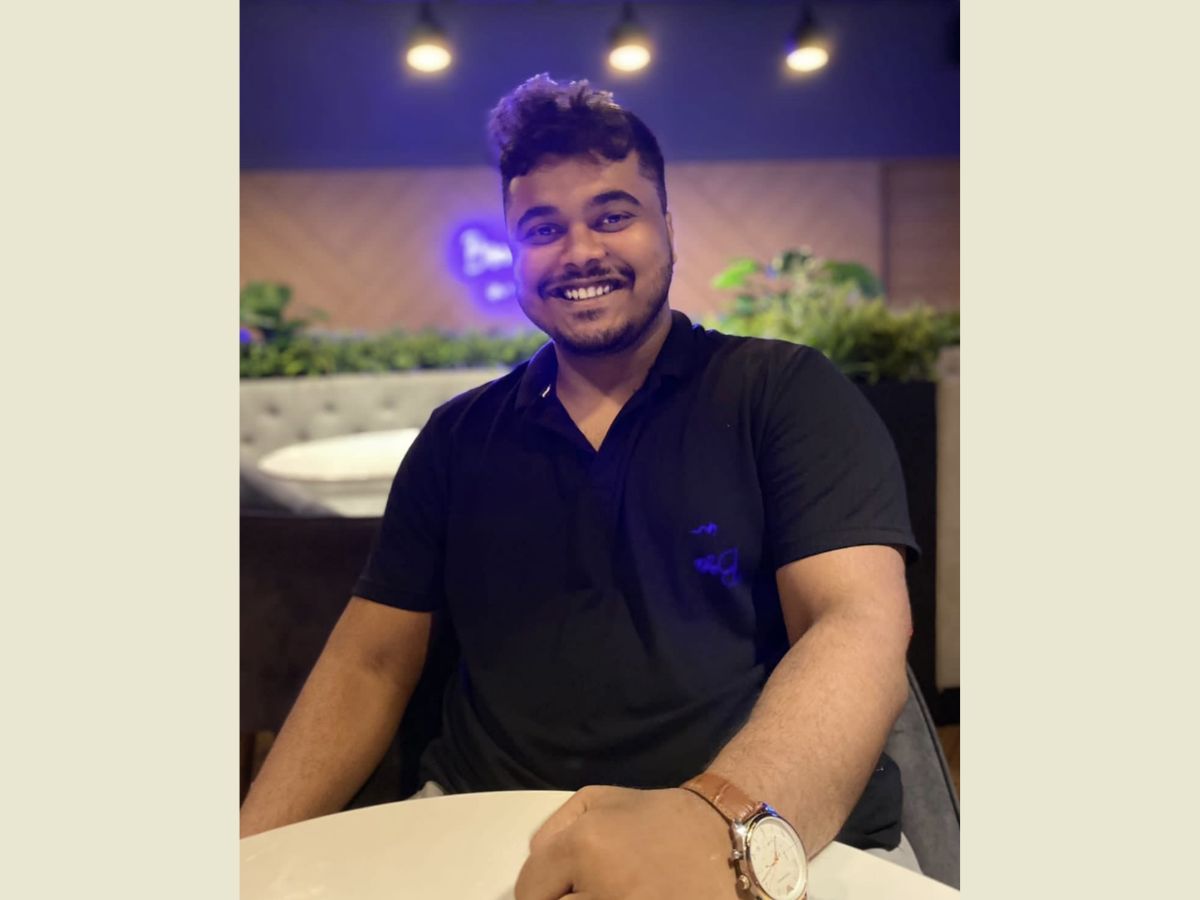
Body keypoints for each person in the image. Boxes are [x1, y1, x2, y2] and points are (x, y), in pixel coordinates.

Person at [240, 74, 919, 899]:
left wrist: (717, 818)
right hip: (485, 832)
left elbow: (856, 623)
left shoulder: (781, 392)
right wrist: (241, 856)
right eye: (542, 229)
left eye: (612, 215)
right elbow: (369, 663)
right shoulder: (458, 437)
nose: (580, 251)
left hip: (763, 829)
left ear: (667, 226)